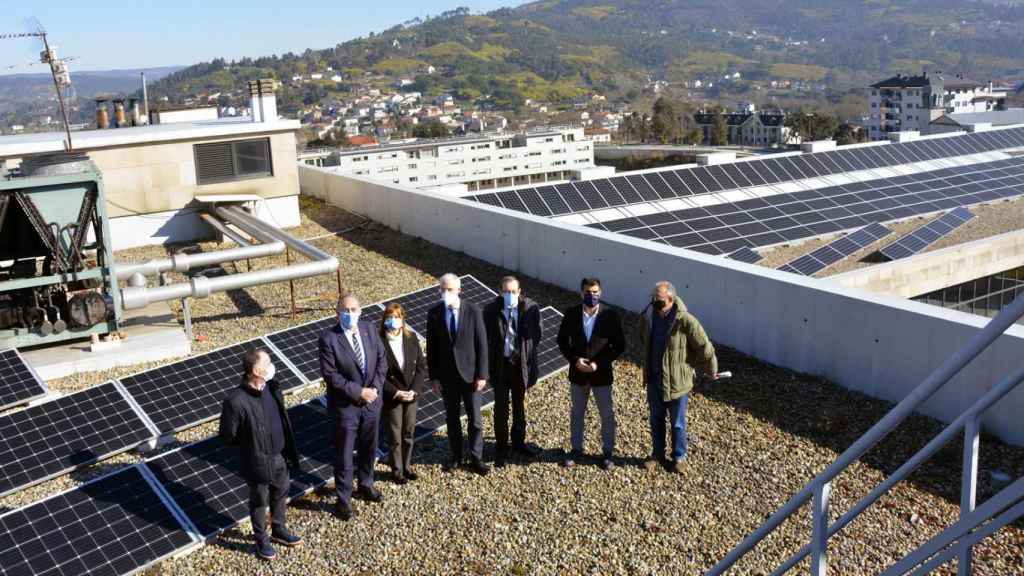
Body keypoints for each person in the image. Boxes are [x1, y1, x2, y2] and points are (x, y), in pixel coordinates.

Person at [219, 348, 303, 561]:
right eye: (268, 363)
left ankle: (279, 529)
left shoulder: (272, 388)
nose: (272, 366)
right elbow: (228, 435)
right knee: (259, 500)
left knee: (281, 493)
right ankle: (261, 540)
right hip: (257, 461)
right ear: (256, 370)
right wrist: (252, 445)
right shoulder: (236, 401)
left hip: (280, 456)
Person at [319, 294, 387, 521]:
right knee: (345, 454)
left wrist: (375, 389)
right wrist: (359, 392)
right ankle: (343, 499)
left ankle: (366, 484)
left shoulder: (369, 329)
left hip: (372, 403)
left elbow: (381, 361)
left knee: (370, 447)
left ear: (361, 310)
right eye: (345, 310)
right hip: (346, 406)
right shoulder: (329, 338)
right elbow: (331, 376)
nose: (350, 314)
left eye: (354, 309)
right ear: (337, 312)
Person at [640, 281, 718, 474]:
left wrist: (711, 369)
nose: (655, 305)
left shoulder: (685, 321)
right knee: (656, 419)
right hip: (655, 379)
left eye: (659, 302)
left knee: (677, 423)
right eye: (654, 300)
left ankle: (679, 457)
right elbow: (645, 342)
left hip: (678, 382)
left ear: (671, 300)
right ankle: (657, 455)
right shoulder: (650, 316)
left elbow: (704, 347)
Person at [556, 277, 625, 470]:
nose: (591, 295)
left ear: (600, 293)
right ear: (581, 293)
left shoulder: (610, 316)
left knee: (606, 415)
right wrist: (574, 360)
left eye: (595, 292)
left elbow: (619, 345)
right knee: (577, 412)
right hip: (578, 374)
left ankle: (608, 453)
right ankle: (576, 449)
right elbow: (562, 341)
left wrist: (598, 364)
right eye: (588, 292)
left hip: (601, 375)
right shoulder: (571, 314)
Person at [426, 273, 490, 476]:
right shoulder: (434, 312)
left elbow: (482, 344)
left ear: (459, 290)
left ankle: (476, 457)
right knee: (452, 419)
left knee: (475, 420)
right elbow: (432, 346)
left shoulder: (473, 310)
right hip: (447, 377)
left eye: (450, 289)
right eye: (443, 289)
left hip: (471, 376)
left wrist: (482, 374)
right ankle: (456, 455)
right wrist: (434, 377)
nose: (446, 293)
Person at [483, 275, 542, 467]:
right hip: (500, 366)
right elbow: (484, 340)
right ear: (500, 292)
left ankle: (518, 443)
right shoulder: (491, 310)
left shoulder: (530, 309)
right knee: (501, 409)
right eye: (506, 292)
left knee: (519, 406)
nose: (510, 295)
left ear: (520, 292)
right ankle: (501, 448)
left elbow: (537, 336)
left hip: (520, 366)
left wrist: (528, 362)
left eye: (513, 292)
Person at [379, 302, 426, 484]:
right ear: (384, 320)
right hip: (393, 396)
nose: (393, 320)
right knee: (394, 435)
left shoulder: (411, 337)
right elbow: (377, 374)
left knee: (408, 433)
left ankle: (407, 467)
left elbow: (421, 366)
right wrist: (395, 392)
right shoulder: (378, 341)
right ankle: (396, 471)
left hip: (411, 394)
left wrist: (414, 389)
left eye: (397, 317)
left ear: (402, 319)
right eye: (390, 317)